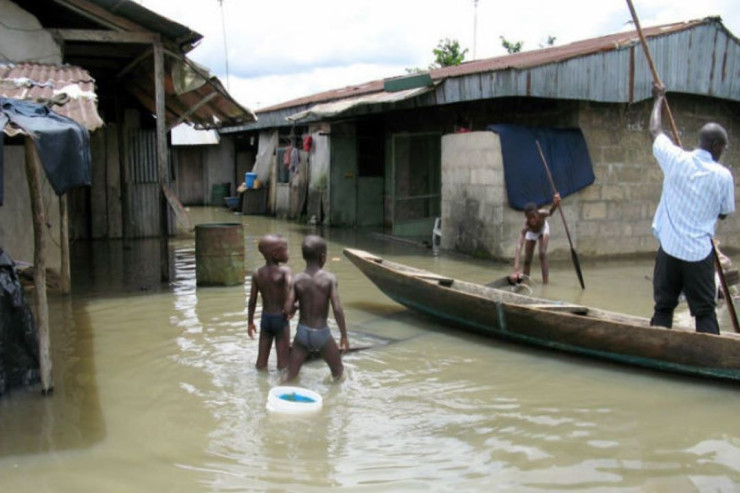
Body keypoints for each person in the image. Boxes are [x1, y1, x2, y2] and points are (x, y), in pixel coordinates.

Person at [648, 83, 735, 334]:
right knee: (705, 311)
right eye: (724, 147)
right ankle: (709, 359)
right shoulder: (722, 176)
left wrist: (658, 99)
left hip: (670, 248)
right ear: (717, 146)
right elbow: (723, 213)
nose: (723, 151)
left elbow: (655, 129)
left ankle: (657, 347)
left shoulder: (675, 159)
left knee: (663, 307)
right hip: (698, 254)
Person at [283, 235, 349, 381]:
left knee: (290, 375)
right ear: (323, 257)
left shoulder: (297, 279)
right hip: (321, 334)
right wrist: (344, 335)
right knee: (339, 373)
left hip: (302, 333)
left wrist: (298, 306)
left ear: (303, 257)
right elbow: (337, 309)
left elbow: (287, 309)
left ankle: (279, 393)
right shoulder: (330, 278)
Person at [247, 234, 292, 371]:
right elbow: (292, 288)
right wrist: (291, 307)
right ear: (275, 254)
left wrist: (250, 322)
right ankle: (283, 384)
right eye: (285, 249)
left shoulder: (257, 274)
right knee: (283, 364)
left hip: (266, 319)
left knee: (261, 362)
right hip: (281, 319)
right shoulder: (285, 271)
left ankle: (260, 384)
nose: (288, 252)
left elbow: (252, 301)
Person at [510, 193, 561, 284]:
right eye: (530, 218)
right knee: (527, 260)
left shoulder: (542, 214)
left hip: (542, 230)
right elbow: (519, 246)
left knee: (542, 253)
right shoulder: (526, 227)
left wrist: (555, 203)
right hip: (531, 232)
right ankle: (525, 282)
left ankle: (545, 283)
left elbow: (550, 212)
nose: (532, 220)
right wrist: (516, 267)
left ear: (537, 213)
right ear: (526, 218)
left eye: (534, 216)